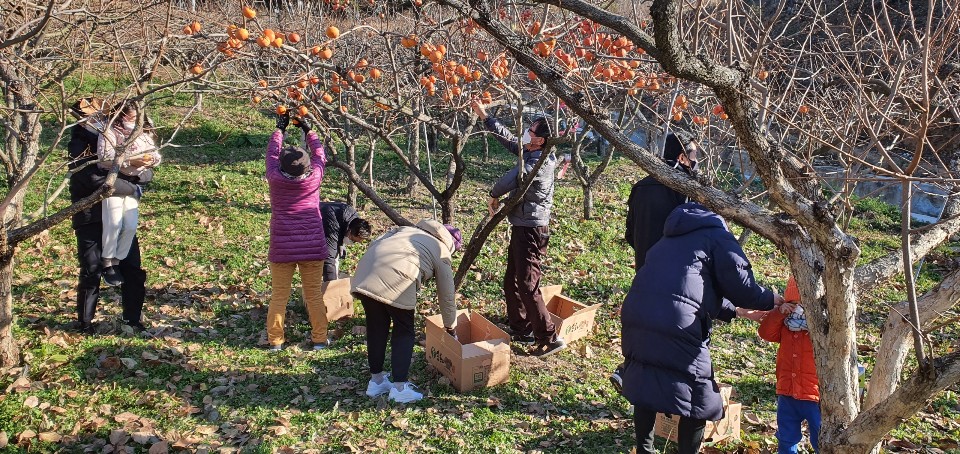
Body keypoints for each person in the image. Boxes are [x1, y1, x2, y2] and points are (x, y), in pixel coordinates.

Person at [621, 202, 782, 454]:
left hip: (638, 312)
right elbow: (742, 288)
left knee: (647, 378)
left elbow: (694, 286)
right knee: (698, 393)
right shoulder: (718, 235)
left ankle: (644, 449)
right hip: (677, 322)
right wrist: (772, 299)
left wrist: (736, 311)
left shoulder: (670, 236)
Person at [470, 98, 564, 357]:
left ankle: (548, 336)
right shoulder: (532, 151)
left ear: (540, 141)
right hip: (523, 226)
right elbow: (511, 141)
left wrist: (494, 193)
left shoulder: (539, 163)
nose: (526, 134)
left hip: (532, 229)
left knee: (526, 282)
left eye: (531, 131)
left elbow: (513, 177)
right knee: (512, 278)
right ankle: (521, 327)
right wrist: (485, 116)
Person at [613, 132, 702, 391]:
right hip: (677, 272)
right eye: (693, 155)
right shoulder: (685, 189)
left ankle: (632, 370)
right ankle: (644, 376)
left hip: (646, 267)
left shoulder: (642, 186)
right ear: (682, 156)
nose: (696, 161)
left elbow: (630, 233)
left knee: (647, 324)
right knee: (672, 329)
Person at [351, 220, 462, 404]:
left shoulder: (404, 230)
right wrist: (451, 328)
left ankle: (376, 381)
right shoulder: (441, 249)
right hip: (397, 278)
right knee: (404, 330)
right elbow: (447, 297)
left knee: (376, 327)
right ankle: (400, 388)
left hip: (365, 274)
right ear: (451, 244)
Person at [67, 98, 147, 333]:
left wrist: (137, 174)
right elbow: (94, 180)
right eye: (90, 114)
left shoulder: (120, 133)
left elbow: (145, 173)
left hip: (122, 212)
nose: (96, 117)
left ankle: (132, 319)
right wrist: (132, 187)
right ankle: (85, 322)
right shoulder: (80, 143)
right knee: (92, 267)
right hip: (91, 213)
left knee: (132, 267)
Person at [264, 113, 330, 352]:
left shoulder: (274, 178)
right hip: (313, 248)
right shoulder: (314, 179)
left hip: (282, 248)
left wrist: (279, 130)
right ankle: (320, 339)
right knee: (313, 295)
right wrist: (308, 130)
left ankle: (275, 341)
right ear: (307, 166)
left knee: (279, 295)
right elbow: (320, 155)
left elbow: (271, 154)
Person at [97, 104, 162, 287]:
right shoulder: (110, 131)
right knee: (113, 222)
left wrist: (151, 160)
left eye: (137, 118)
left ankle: (119, 259)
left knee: (131, 224)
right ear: (122, 116)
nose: (134, 122)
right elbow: (104, 158)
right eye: (131, 118)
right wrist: (130, 160)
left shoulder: (144, 132)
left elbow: (155, 154)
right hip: (115, 182)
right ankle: (107, 262)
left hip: (134, 183)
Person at [758, 277, 820, 454]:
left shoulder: (817, 328)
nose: (798, 308)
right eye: (793, 303)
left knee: (820, 436)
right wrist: (779, 313)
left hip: (813, 395)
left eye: (802, 304)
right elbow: (765, 333)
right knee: (786, 437)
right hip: (787, 392)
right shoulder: (785, 325)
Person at [318, 201, 372, 281]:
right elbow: (329, 258)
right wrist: (331, 286)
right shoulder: (332, 223)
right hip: (309, 221)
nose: (353, 243)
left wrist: (340, 244)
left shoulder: (354, 219)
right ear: (349, 231)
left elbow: (342, 228)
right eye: (353, 240)